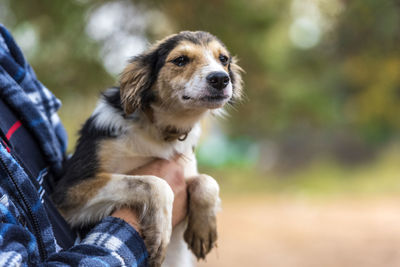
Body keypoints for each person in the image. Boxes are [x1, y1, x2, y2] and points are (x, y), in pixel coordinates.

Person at [0, 24, 187, 266]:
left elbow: (60, 173)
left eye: (222, 60)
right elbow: (71, 194)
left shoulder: (5, 49)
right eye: (181, 60)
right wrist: (133, 226)